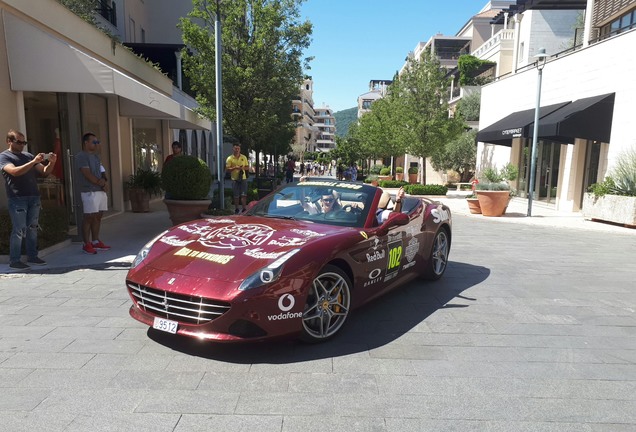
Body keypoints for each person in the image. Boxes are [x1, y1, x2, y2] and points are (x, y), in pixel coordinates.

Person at [0, 129, 58, 269]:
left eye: (24, 142)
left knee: (32, 228)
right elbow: (15, 172)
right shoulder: (4, 157)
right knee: (19, 230)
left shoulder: (27, 156)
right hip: (17, 197)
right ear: (9, 141)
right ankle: (15, 260)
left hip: (33, 196)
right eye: (18, 142)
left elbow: (44, 172)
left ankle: (32, 256)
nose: (22, 145)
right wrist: (33, 161)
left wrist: (52, 163)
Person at [76, 132, 111, 255]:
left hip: (99, 190)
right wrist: (100, 183)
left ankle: (96, 240)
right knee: (89, 216)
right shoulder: (81, 156)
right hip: (89, 191)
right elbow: (86, 173)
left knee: (98, 216)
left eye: (97, 142)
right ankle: (86, 243)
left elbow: (102, 171)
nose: (96, 144)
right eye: (94, 142)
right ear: (86, 143)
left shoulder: (96, 157)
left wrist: (104, 181)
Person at [225, 143, 249, 214]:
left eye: (238, 149)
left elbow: (247, 167)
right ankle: (237, 208)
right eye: (236, 148)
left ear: (240, 149)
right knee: (236, 195)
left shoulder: (243, 157)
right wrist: (235, 168)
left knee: (244, 194)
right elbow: (227, 169)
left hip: (243, 178)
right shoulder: (230, 158)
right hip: (234, 179)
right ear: (233, 149)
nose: (237, 150)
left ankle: (244, 208)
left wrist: (242, 168)